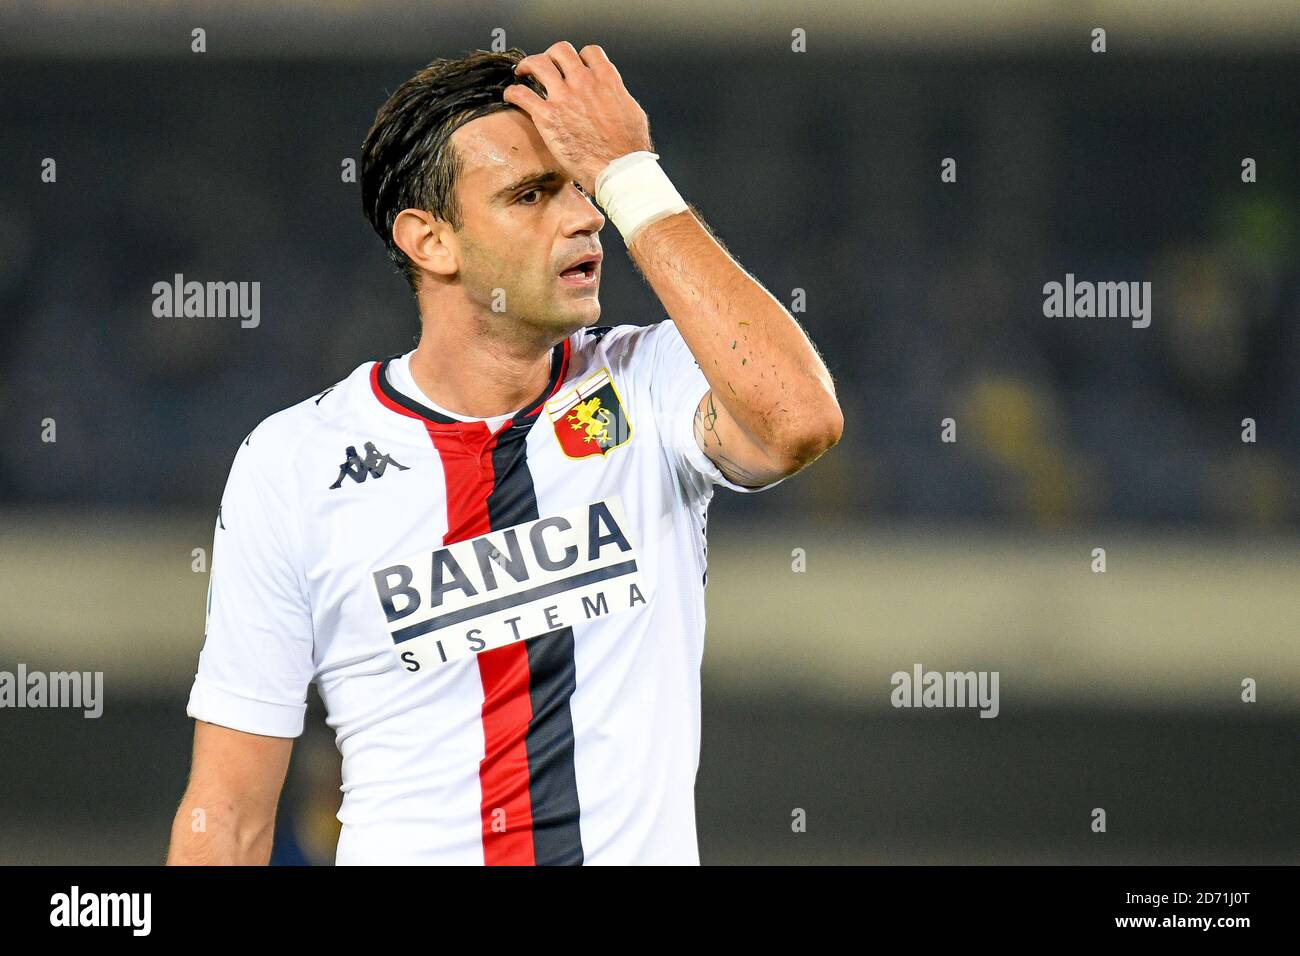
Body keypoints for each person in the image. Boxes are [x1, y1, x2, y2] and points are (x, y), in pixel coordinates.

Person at [167, 42, 842, 865]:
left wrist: (630, 171)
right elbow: (228, 816)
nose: (586, 217)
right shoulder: (294, 464)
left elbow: (797, 420)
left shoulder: (649, 381)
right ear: (431, 241)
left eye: (583, 187)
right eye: (531, 194)